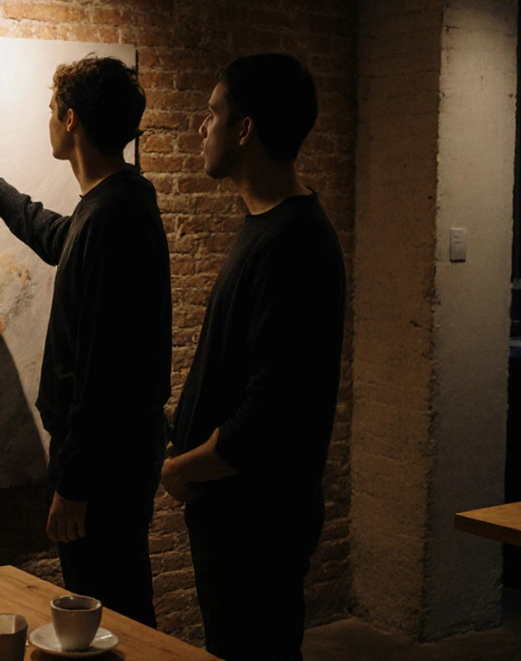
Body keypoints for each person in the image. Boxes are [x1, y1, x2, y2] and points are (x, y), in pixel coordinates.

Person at [0, 56, 172, 627]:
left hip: (103, 474)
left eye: (50, 110)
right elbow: (55, 235)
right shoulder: (113, 206)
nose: (47, 119)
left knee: (109, 619)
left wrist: (73, 484)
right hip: (111, 465)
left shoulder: (115, 217)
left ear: (70, 120)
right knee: (107, 610)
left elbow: (104, 373)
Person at [160, 53, 346, 661]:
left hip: (258, 524)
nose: (200, 128)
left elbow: (274, 412)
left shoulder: (295, 244)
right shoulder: (266, 227)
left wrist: (184, 468)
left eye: (212, 114)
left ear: (245, 130)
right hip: (234, 518)